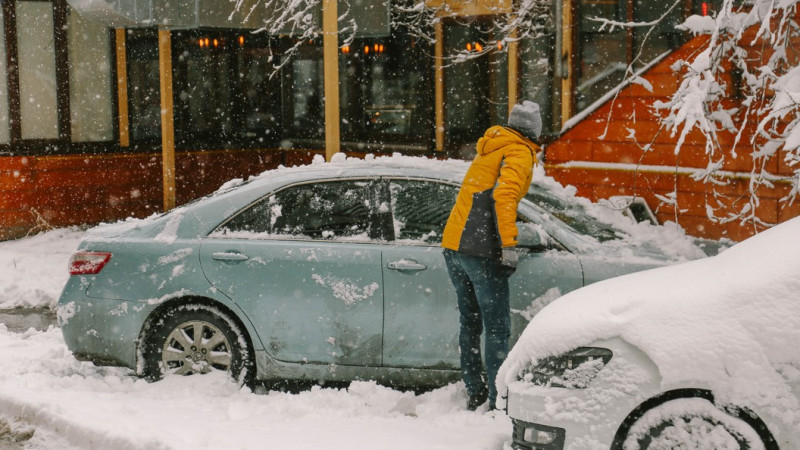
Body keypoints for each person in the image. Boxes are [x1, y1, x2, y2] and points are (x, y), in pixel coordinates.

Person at [441, 101, 542, 411]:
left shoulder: (491, 146)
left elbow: (484, 195)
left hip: (455, 245)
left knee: (470, 323)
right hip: (481, 250)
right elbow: (504, 197)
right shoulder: (519, 152)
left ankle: (475, 391)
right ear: (535, 130)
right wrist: (509, 245)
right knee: (497, 329)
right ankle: (499, 402)